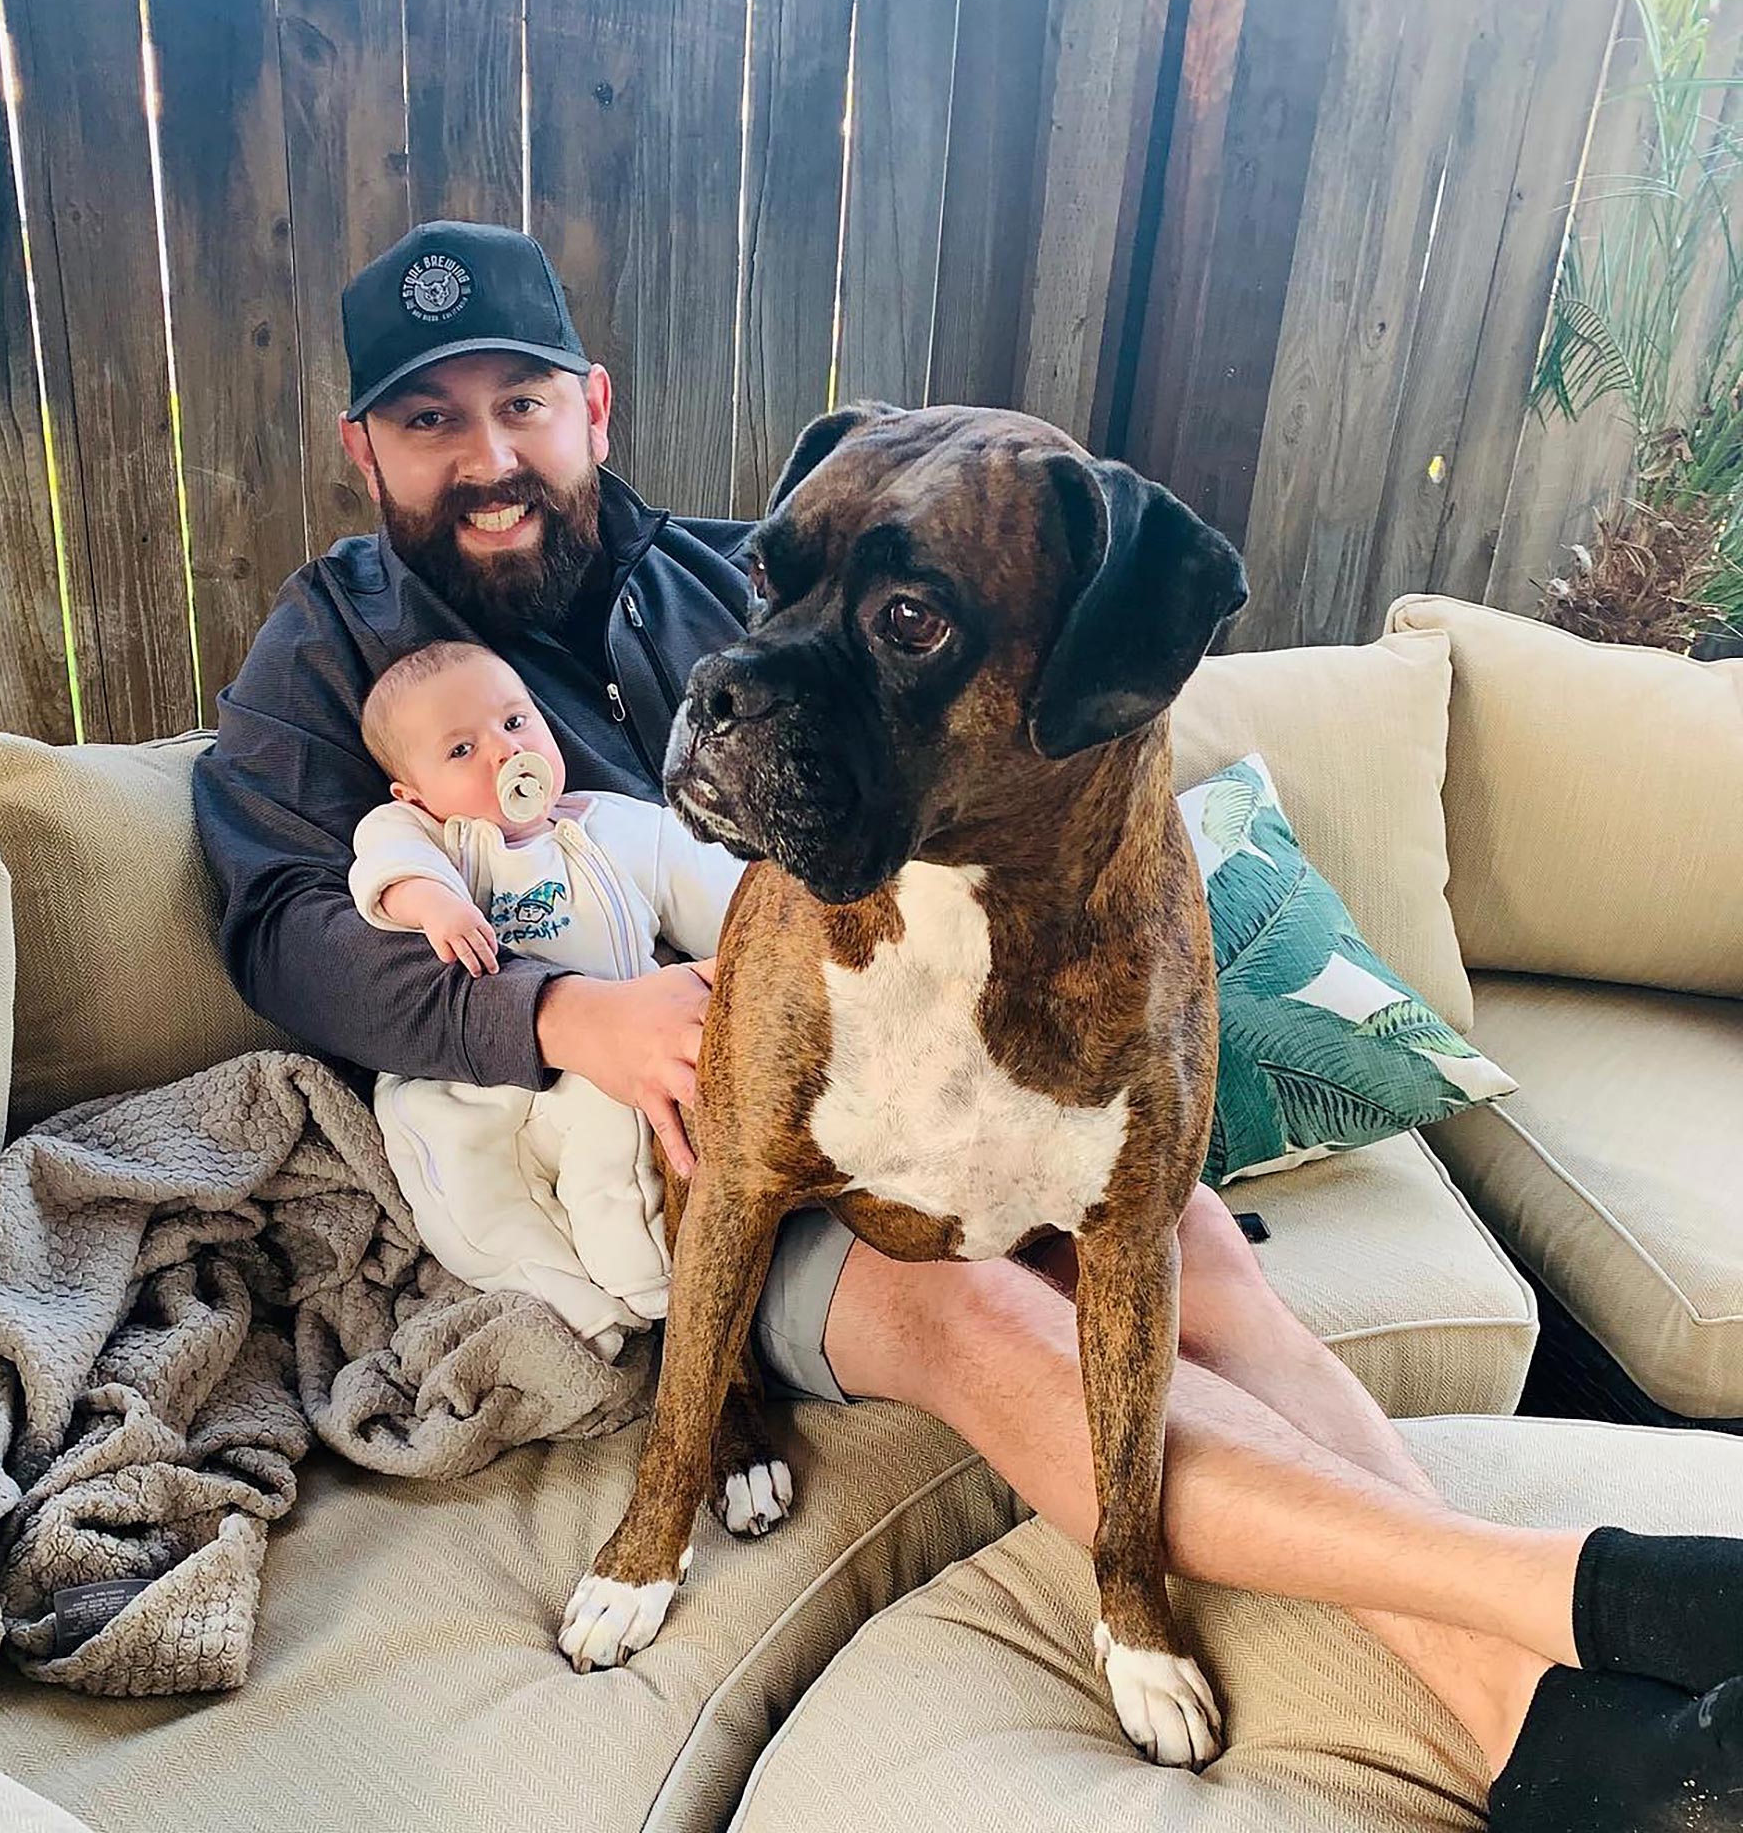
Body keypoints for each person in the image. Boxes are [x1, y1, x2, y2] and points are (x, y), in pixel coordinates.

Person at [195, 219, 1743, 1830]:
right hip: (674, 1134)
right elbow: (277, 926)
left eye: (519, 404)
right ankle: (1571, 1643)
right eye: (429, 420)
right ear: (363, 449)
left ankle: (1533, 1673)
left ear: (591, 405)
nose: (488, 459)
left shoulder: (754, 563)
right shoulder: (328, 650)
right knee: (985, 1317)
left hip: (925, 1061)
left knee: (1201, 1259)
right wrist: (564, 1014)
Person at [348, 637, 742, 1357]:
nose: (504, 752)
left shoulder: (611, 827)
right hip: (471, 1084)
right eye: (461, 749)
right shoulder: (430, 837)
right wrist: (434, 901)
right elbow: (385, 863)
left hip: (606, 1057)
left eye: (515, 722)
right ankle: (570, 1307)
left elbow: (715, 894)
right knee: (466, 1199)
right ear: (416, 792)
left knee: (620, 1145)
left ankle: (643, 1278)